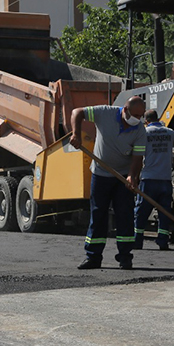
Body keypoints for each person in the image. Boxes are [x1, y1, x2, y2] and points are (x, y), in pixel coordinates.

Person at [69, 96, 147, 270]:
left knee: (125, 215)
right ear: (125, 110)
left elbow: (137, 157)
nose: (138, 119)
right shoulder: (105, 113)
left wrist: (132, 177)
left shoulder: (140, 130)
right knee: (98, 214)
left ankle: (125, 257)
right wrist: (76, 133)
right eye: (135, 115)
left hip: (123, 177)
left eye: (141, 116)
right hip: (101, 174)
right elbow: (77, 112)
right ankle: (93, 257)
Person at [133, 110, 174, 251]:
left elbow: (137, 156)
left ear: (146, 120)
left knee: (141, 212)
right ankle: (163, 242)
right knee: (164, 213)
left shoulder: (144, 133)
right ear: (158, 118)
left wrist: (135, 176)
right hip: (165, 179)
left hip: (148, 179)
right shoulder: (170, 132)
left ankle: (137, 241)